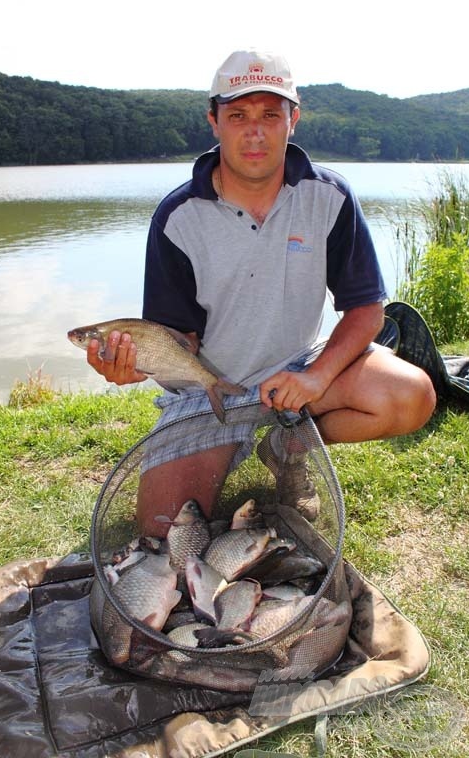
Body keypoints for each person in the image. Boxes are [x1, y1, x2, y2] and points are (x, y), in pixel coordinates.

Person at [87, 49, 436, 535]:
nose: (255, 131)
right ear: (215, 122)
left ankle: (288, 447)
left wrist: (315, 377)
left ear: (293, 119)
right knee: (162, 532)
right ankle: (228, 438)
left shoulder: (329, 196)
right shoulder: (177, 218)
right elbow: (177, 339)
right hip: (205, 388)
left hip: (297, 369)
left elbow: (365, 310)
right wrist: (133, 364)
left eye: (270, 114)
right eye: (238, 115)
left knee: (411, 395)